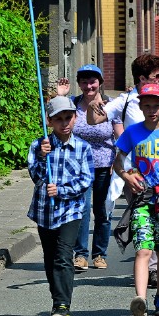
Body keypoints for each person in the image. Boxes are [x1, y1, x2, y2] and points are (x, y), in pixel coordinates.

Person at [87, 54, 159, 288]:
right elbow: (96, 118)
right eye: (156, 76)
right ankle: (149, 270)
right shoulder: (126, 99)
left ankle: (156, 268)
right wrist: (91, 106)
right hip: (134, 173)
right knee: (143, 221)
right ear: (141, 78)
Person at [113, 84, 159, 316]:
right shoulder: (131, 133)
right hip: (142, 199)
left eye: (156, 105)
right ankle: (140, 299)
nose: (152, 110)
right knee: (143, 249)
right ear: (140, 106)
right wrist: (126, 175)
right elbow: (118, 161)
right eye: (147, 105)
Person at [28, 96, 94, 316]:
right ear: (50, 121)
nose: (64, 123)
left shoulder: (83, 148)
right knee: (50, 259)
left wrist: (63, 190)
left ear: (75, 118)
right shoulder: (39, 145)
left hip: (71, 211)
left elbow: (86, 180)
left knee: (63, 256)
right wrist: (41, 157)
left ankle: (62, 305)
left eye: (68, 117)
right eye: (59, 119)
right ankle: (57, 297)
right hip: (45, 212)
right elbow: (36, 178)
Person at [56, 65, 121, 272]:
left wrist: (119, 163)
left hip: (104, 166)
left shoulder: (111, 105)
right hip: (78, 167)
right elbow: (56, 120)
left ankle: (100, 254)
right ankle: (81, 255)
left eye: (92, 81)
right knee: (81, 210)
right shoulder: (73, 104)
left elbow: (120, 136)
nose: (88, 86)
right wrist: (60, 96)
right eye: (84, 82)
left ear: (100, 82)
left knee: (102, 211)